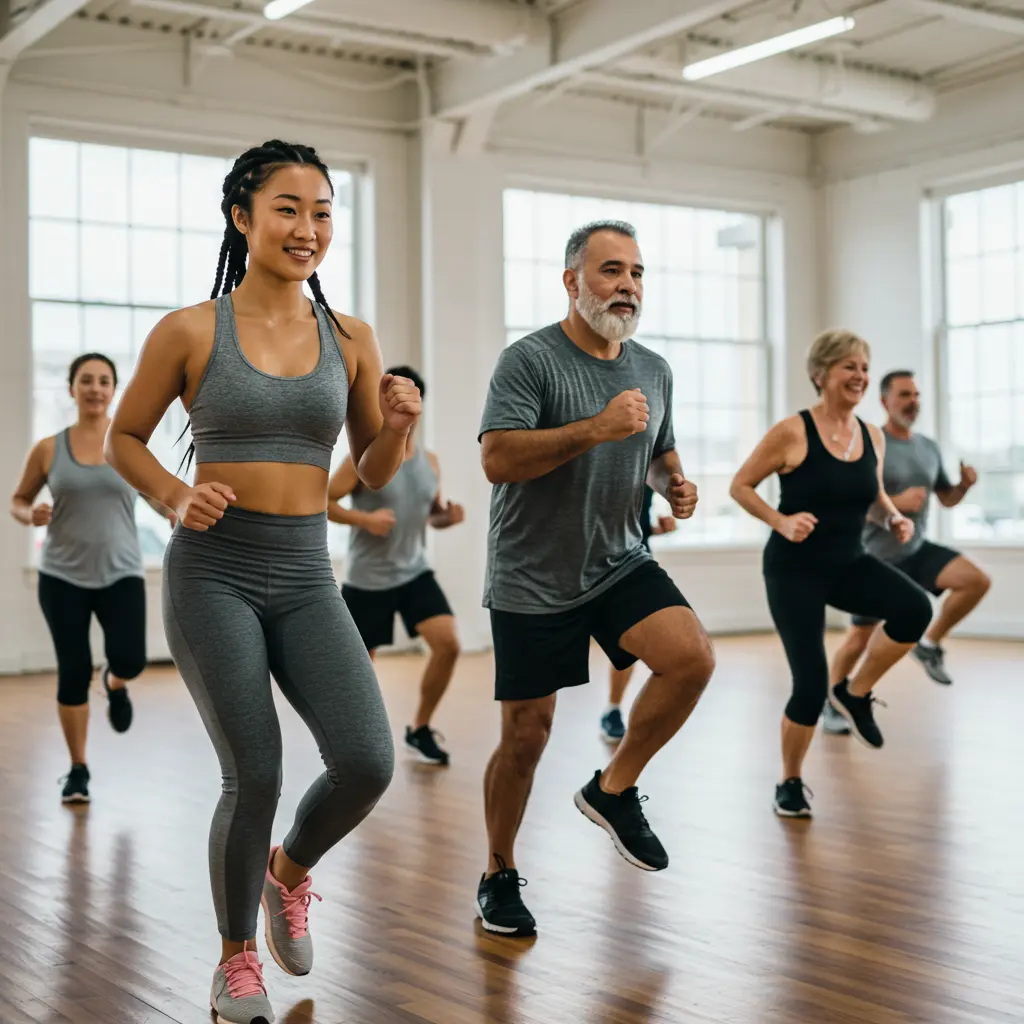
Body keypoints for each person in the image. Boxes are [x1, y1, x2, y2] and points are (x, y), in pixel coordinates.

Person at [105, 141, 420, 1024]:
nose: (307, 228)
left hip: (308, 571)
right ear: (242, 218)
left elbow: (374, 467)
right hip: (216, 573)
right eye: (287, 208)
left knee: (366, 759)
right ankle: (235, 959)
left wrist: (394, 427)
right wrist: (173, 495)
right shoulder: (189, 330)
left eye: (321, 211)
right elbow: (125, 437)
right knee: (256, 771)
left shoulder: (351, 337)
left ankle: (290, 872)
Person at [474, 220, 715, 938]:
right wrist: (594, 429)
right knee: (526, 735)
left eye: (637, 273)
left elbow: (659, 450)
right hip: (532, 573)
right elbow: (498, 460)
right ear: (572, 280)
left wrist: (674, 483)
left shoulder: (654, 368)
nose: (627, 286)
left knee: (691, 658)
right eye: (611, 271)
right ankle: (497, 871)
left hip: (619, 558)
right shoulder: (529, 362)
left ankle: (614, 788)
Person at [730, 329, 933, 819]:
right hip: (793, 570)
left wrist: (893, 517)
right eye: (849, 367)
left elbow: (872, 496)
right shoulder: (792, 431)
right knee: (808, 683)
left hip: (847, 562)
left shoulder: (871, 435)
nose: (860, 376)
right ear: (821, 374)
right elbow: (741, 485)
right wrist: (780, 521)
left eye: (864, 368)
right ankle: (790, 782)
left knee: (915, 608)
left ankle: (855, 691)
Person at [10, 353, 174, 804]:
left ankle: (115, 683)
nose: (95, 388)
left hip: (121, 571)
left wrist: (177, 511)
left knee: (131, 660)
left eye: (104, 380)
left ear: (114, 389)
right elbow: (19, 499)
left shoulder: (127, 446)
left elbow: (158, 495)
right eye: (86, 380)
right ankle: (78, 768)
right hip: (62, 577)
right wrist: (30, 514)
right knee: (72, 671)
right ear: (71, 389)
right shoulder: (49, 448)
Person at [823, 370, 989, 731]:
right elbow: (853, 501)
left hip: (917, 549)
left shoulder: (927, 447)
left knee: (975, 580)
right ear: (884, 401)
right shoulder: (870, 442)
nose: (912, 402)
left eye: (916, 395)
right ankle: (833, 703)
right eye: (904, 395)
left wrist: (963, 485)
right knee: (859, 639)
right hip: (876, 557)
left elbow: (945, 499)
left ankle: (928, 644)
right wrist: (898, 501)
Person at [329, 365, 464, 766]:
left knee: (449, 645)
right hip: (368, 579)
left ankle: (419, 727)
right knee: (359, 674)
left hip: (414, 571)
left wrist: (447, 517)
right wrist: (365, 520)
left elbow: (432, 514)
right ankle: (358, 743)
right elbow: (322, 500)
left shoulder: (431, 462)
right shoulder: (360, 459)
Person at [601, 483, 677, 742]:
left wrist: (658, 529)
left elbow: (637, 524)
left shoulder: (649, 462)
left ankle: (613, 710)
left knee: (628, 645)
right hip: (596, 562)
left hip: (636, 561)